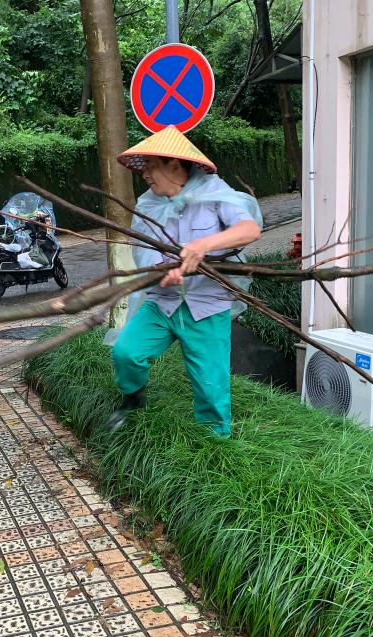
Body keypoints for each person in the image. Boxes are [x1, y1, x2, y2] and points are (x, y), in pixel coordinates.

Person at [106, 126, 263, 438]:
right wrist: (160, 271)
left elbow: (249, 229)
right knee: (126, 352)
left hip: (205, 305)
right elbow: (143, 251)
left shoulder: (215, 194)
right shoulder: (148, 203)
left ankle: (214, 441)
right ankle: (133, 397)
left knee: (211, 385)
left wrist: (203, 245)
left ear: (175, 165)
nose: (145, 174)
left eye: (151, 166)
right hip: (161, 303)